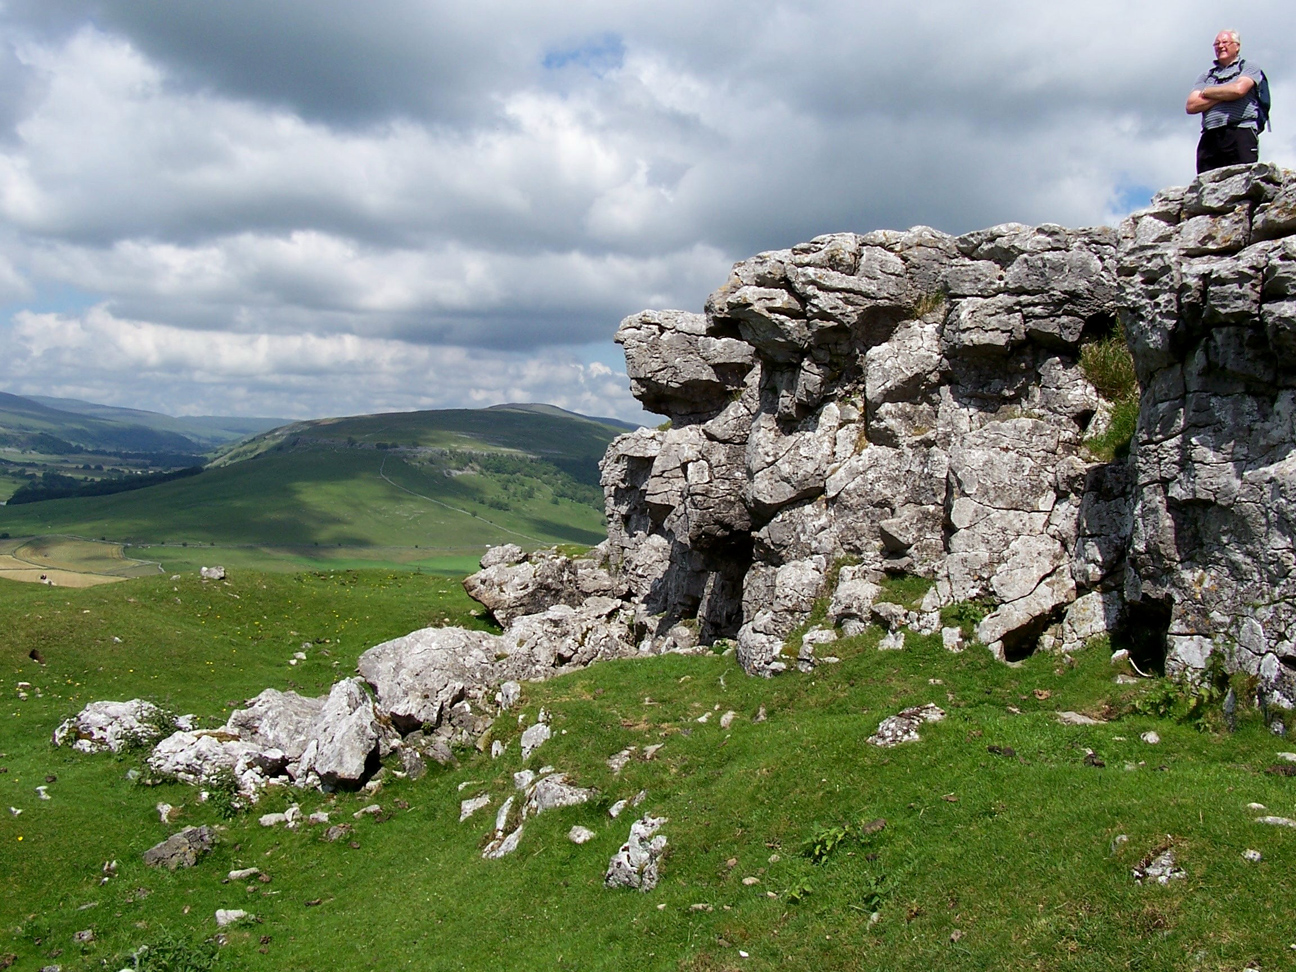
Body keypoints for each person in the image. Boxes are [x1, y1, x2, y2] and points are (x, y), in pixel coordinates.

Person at [1186, 30, 1265, 173]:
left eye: (1225, 42)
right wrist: (1225, 94)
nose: (1220, 46)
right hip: (1210, 137)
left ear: (1237, 46)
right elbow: (1191, 106)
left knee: (1242, 180)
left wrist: (1207, 92)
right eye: (1216, 44)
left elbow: (1239, 90)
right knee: (1207, 185)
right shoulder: (1206, 76)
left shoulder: (1249, 67)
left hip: (1240, 132)